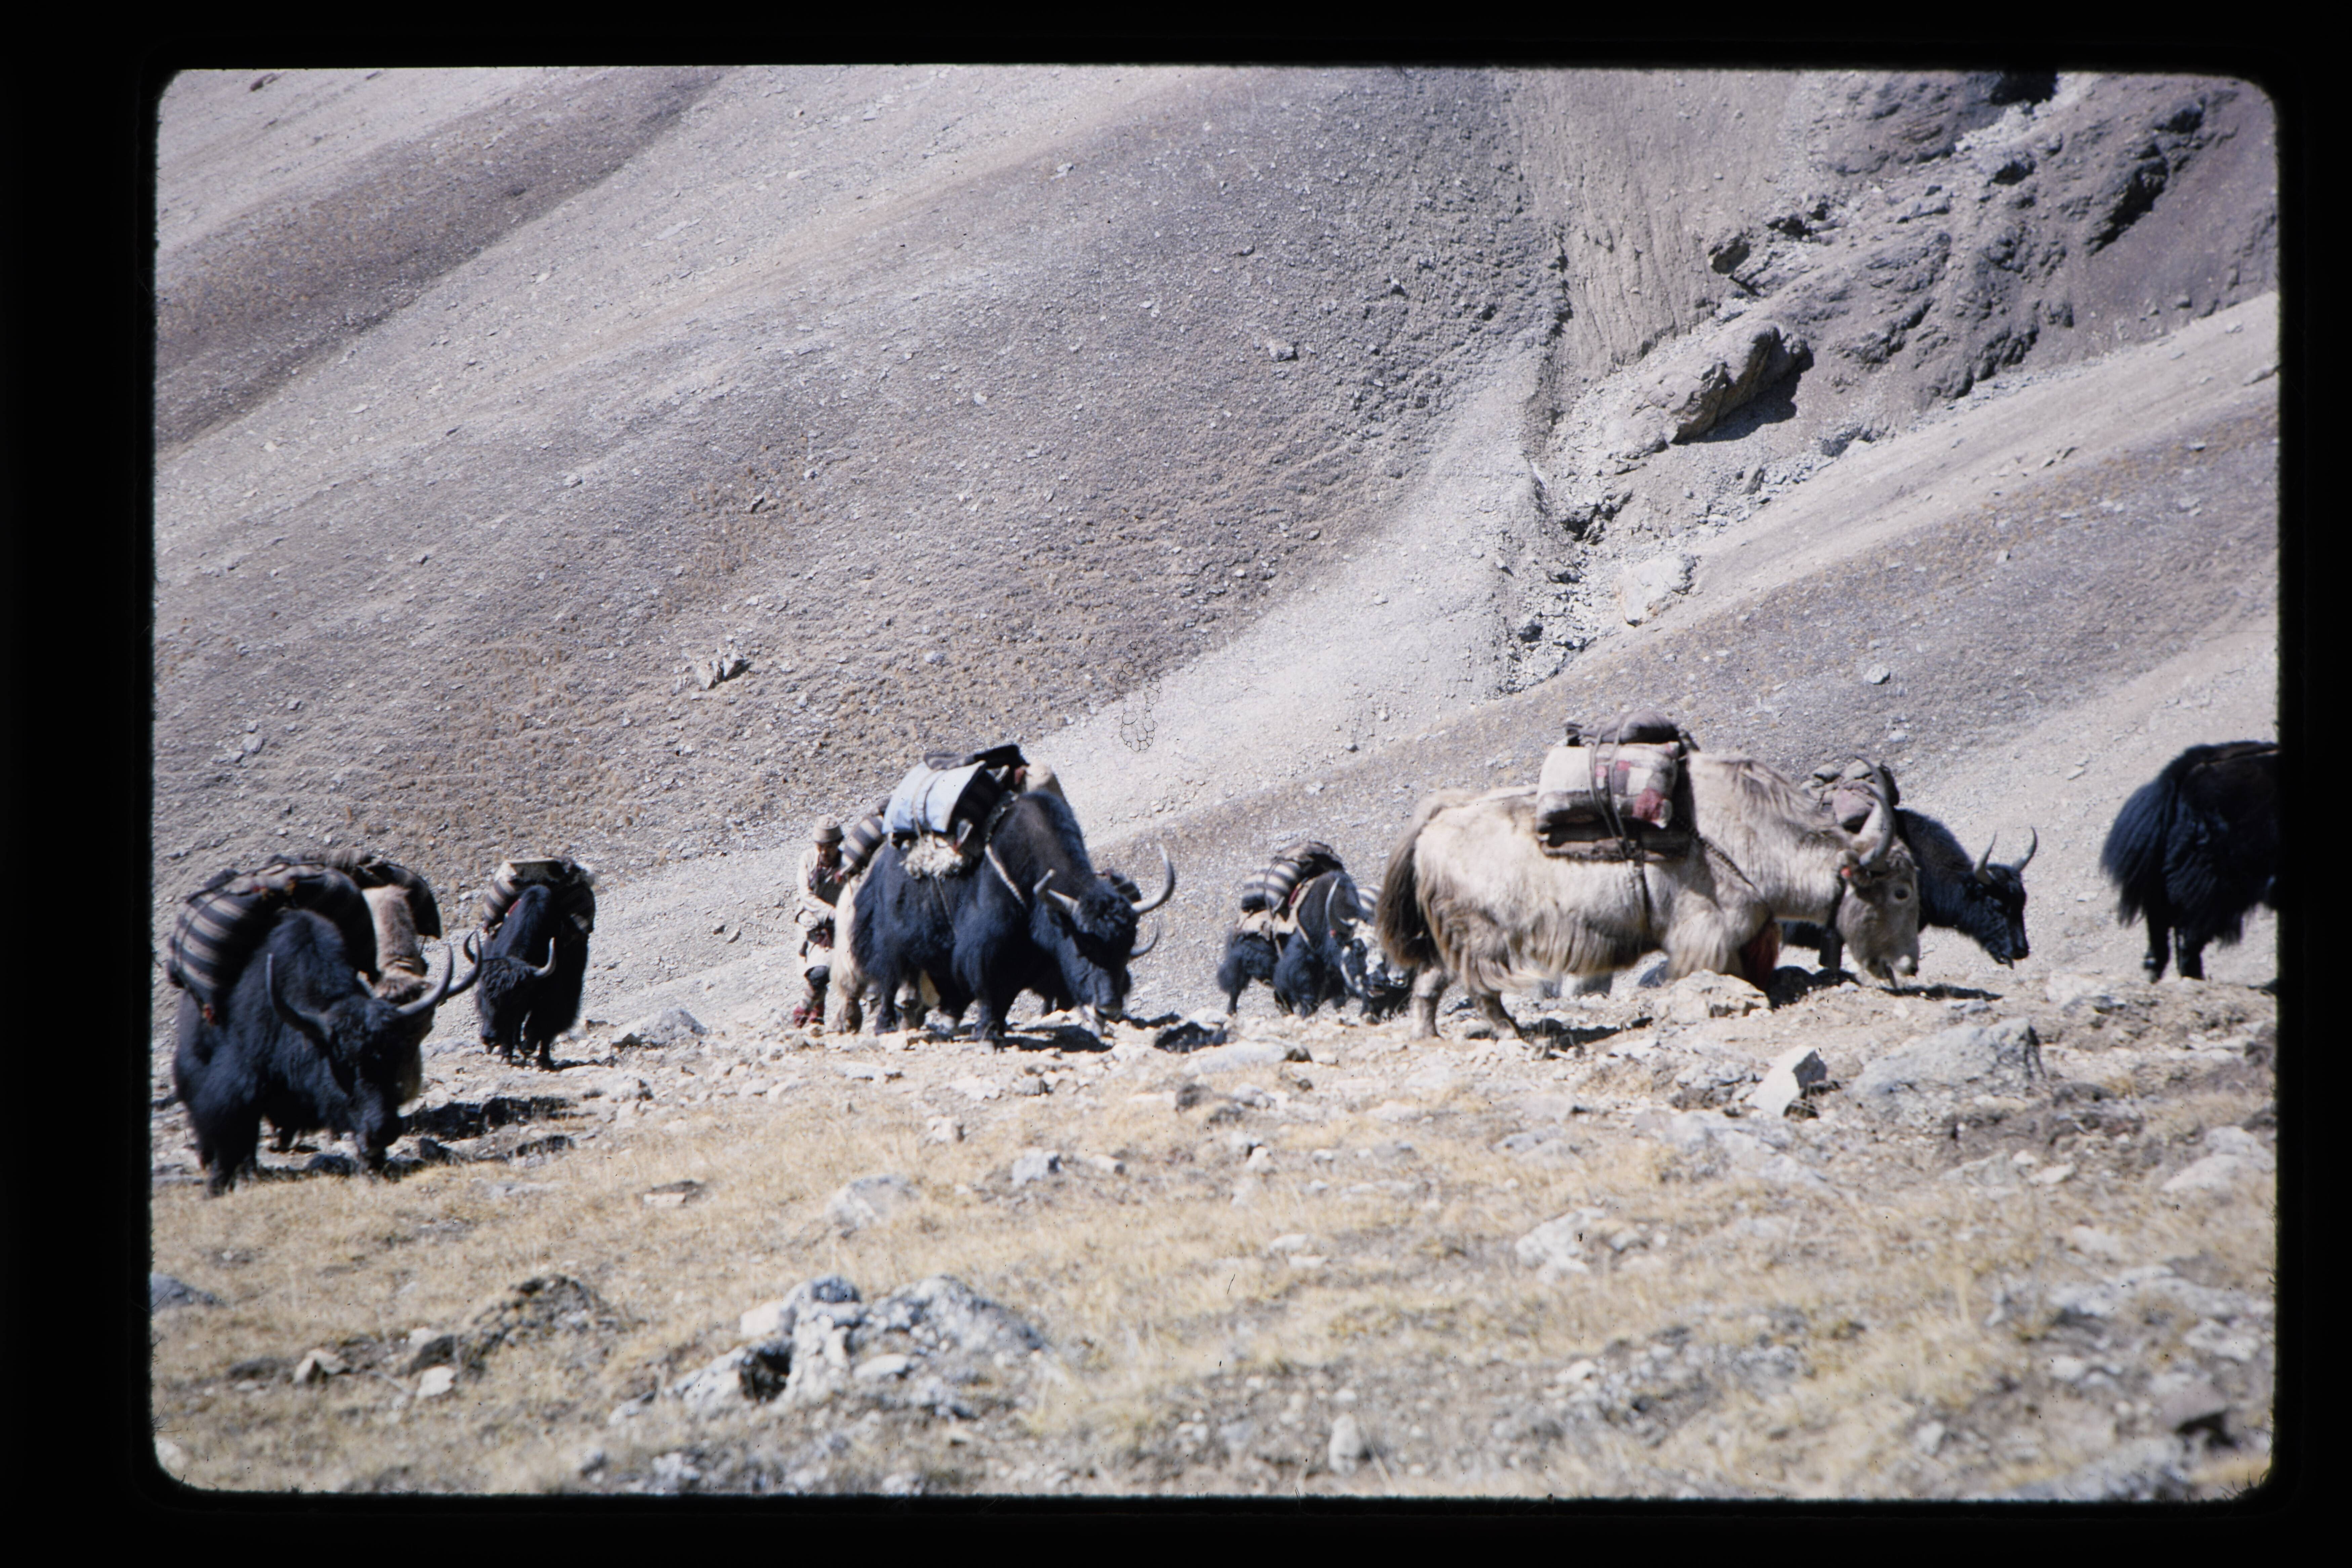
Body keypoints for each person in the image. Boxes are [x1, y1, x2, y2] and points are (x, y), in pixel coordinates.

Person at [792, 817, 847, 1028]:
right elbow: (806, 895)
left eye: (830, 847)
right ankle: (810, 1016)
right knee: (818, 972)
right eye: (821, 847)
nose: (825, 852)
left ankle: (806, 1015)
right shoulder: (808, 859)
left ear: (838, 844)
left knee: (824, 971)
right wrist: (831, 913)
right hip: (812, 924)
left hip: (838, 927)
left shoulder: (847, 864)